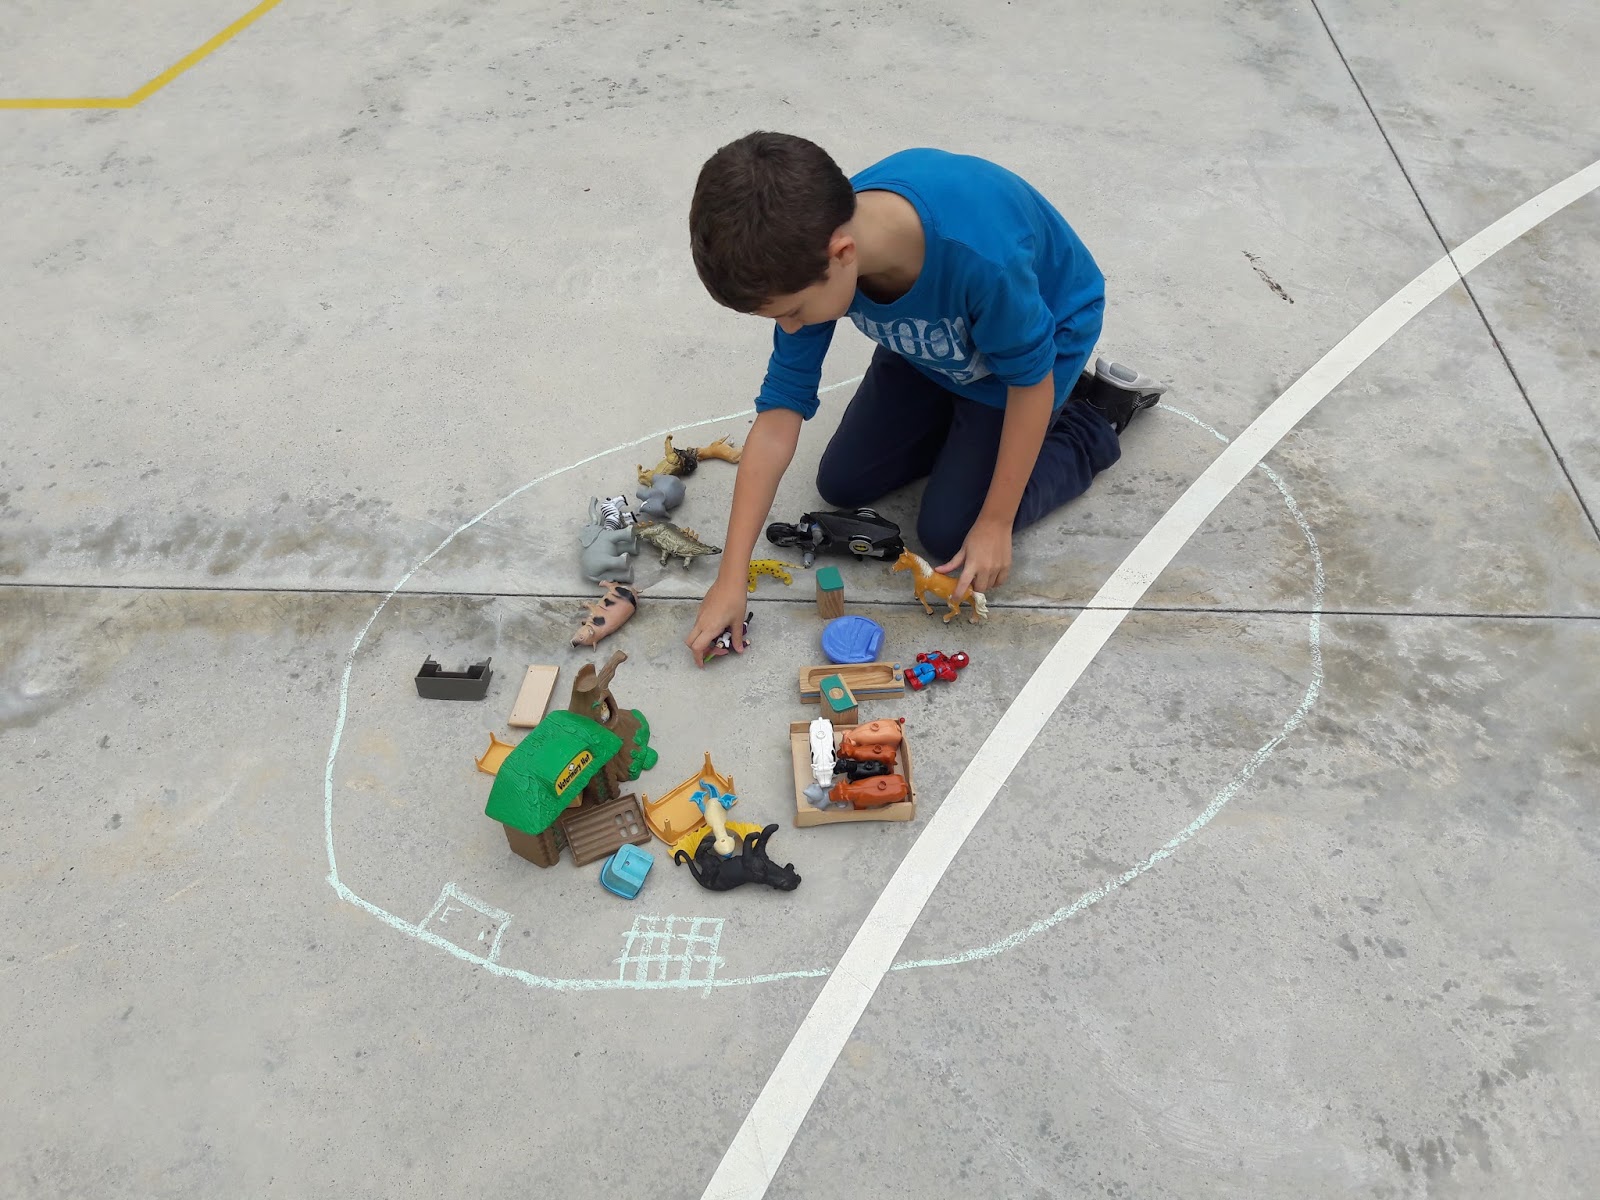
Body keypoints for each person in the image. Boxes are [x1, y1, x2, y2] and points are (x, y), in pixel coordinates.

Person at [683, 132, 1164, 665]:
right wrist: (730, 579)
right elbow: (779, 416)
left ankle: (1096, 413)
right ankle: (962, 431)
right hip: (926, 348)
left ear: (843, 254)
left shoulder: (981, 258)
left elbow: (1029, 384)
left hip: (1031, 356)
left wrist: (995, 523)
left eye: (791, 312)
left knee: (950, 532)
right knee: (841, 485)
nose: (790, 327)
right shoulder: (805, 243)